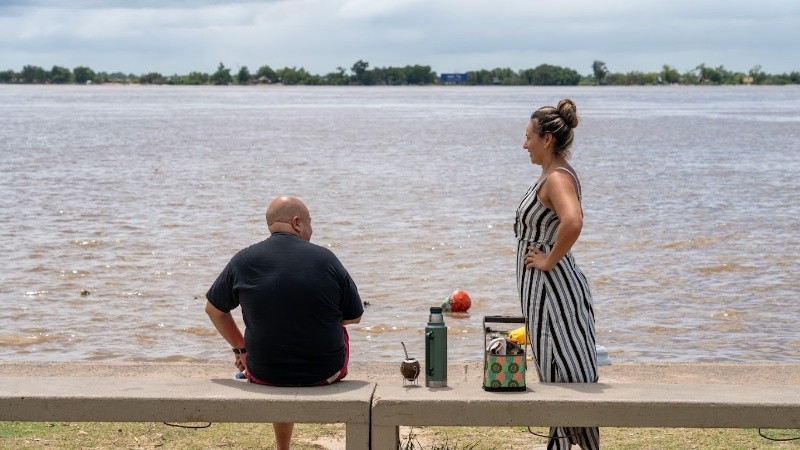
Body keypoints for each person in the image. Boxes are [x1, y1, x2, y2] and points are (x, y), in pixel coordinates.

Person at [205, 195, 364, 450]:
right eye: (311, 223)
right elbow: (354, 316)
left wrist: (241, 348)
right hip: (325, 373)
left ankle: (283, 447)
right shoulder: (326, 259)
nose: (311, 230)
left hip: (264, 373)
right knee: (336, 328)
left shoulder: (243, 259)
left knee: (273, 332)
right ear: (298, 222)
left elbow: (214, 310)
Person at [515, 99, 598, 450]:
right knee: (556, 373)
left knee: (564, 376)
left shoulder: (557, 178)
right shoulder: (551, 175)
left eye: (529, 137)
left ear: (547, 139)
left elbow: (573, 221)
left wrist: (549, 261)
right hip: (546, 293)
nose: (524, 144)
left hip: (554, 294)